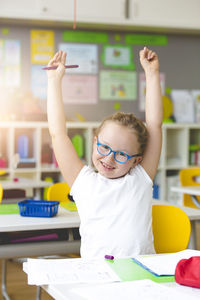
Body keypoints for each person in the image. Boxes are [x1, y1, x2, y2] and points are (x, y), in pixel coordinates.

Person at [47, 47, 163, 259]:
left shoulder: (140, 178)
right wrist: (54, 81)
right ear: (94, 142)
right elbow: (58, 134)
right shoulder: (83, 182)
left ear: (137, 160)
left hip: (142, 275)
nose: (109, 158)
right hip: (96, 275)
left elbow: (154, 125)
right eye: (105, 147)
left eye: (121, 155)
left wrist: (151, 74)